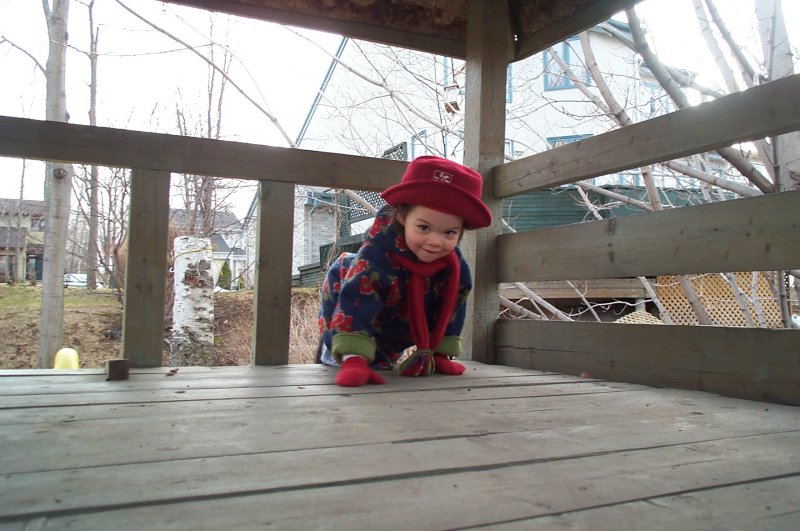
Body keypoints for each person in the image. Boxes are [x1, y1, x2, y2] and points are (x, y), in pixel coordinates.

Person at [317, 156, 492, 387]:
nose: (435, 241)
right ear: (402, 216)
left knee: (384, 369)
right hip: (347, 320)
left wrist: (439, 351)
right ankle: (350, 357)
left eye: (449, 232)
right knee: (349, 368)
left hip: (394, 332)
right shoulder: (375, 257)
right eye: (424, 227)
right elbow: (356, 303)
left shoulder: (453, 267)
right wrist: (353, 359)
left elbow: (451, 308)